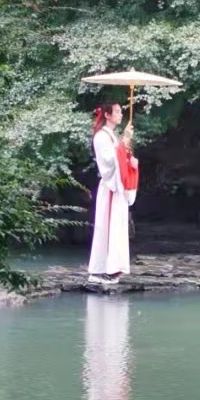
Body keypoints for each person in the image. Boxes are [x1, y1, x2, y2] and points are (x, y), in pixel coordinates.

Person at [88, 103, 136, 282]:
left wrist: (126, 148)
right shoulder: (101, 136)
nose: (121, 115)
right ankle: (101, 269)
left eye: (121, 112)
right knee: (107, 226)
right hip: (110, 186)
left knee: (116, 226)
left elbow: (120, 157)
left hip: (117, 187)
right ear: (107, 115)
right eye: (117, 111)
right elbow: (108, 161)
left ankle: (113, 267)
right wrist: (123, 141)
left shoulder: (112, 136)